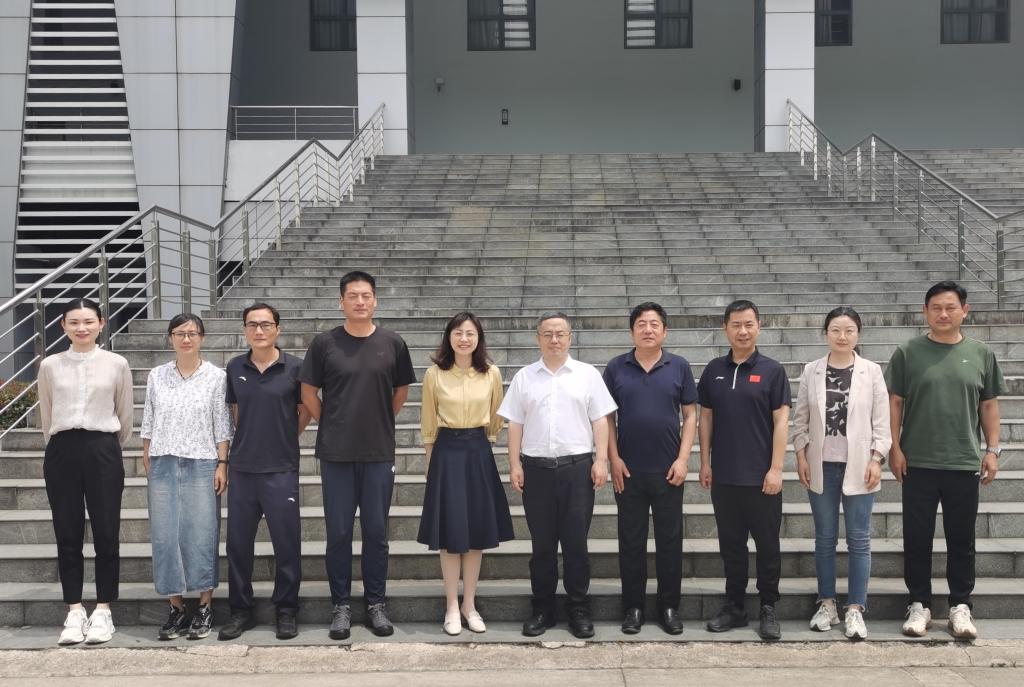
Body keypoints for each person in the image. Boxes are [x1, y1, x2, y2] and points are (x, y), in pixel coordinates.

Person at [886, 281, 1006, 639]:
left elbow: (989, 405)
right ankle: (918, 604)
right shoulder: (907, 352)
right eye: (936, 307)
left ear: (964, 311)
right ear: (925, 311)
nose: (943, 314)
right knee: (917, 538)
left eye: (950, 307)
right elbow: (894, 402)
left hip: (962, 461)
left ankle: (960, 606)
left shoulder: (981, 353)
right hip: (918, 461)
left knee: (961, 539)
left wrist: (992, 450)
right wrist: (895, 448)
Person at [300, 271, 416, 639]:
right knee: (338, 533)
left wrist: (379, 420)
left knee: (376, 532)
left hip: (378, 452)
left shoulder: (392, 343)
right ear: (341, 302)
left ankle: (376, 604)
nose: (360, 301)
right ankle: (341, 606)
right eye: (353, 296)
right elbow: (308, 393)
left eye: (366, 295)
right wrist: (332, 422)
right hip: (336, 454)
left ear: (375, 300)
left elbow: (401, 391)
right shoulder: (324, 343)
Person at [497, 311, 617, 639]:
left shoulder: (587, 375)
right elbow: (515, 424)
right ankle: (543, 609)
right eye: (547, 334)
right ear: (538, 338)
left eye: (560, 334)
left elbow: (600, 420)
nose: (554, 340)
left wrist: (601, 460)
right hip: (536, 470)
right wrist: (515, 464)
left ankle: (578, 609)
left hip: (577, 470)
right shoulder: (525, 377)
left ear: (570, 338)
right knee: (543, 546)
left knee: (576, 544)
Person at [37, 298, 133, 645]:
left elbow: (125, 413)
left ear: (101, 324)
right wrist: (60, 444)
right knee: (67, 532)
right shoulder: (50, 365)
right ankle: (74, 610)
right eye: (74, 322)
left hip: (102, 447)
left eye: (89, 321)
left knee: (106, 530)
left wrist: (106, 447)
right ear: (63, 325)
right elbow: (47, 414)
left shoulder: (116, 363)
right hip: (62, 449)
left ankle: (104, 609)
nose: (82, 328)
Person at [791, 306, 891, 641]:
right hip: (821, 464)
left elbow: (882, 422)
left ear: (858, 334)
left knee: (859, 539)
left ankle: (856, 608)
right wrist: (801, 456)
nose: (842, 336)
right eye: (835, 330)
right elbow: (800, 420)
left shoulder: (871, 372)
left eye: (849, 330)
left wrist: (877, 459)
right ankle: (827, 603)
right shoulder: (812, 371)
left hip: (860, 465)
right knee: (825, 538)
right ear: (826, 334)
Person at [416, 311, 514, 635]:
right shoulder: (434, 374)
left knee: (475, 534)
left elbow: (497, 418)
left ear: (478, 338)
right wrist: (430, 462)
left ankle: (469, 605)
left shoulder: (491, 373)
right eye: (458, 333)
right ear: (449, 337)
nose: (464, 339)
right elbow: (428, 421)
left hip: (478, 452)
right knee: (449, 534)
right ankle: (450, 607)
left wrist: (484, 443)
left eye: (470, 333)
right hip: (445, 452)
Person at [698, 299, 790, 641]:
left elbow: (781, 422)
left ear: (759, 327)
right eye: (736, 325)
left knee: (768, 546)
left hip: (762, 478)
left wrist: (776, 468)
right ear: (725, 328)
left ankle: (768, 607)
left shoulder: (772, 371)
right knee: (731, 547)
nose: (742, 331)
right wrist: (704, 462)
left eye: (749, 324)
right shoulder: (713, 370)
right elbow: (705, 419)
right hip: (725, 477)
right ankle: (735, 605)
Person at [603, 302, 697, 635]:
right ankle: (633, 607)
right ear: (632, 331)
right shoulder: (616, 368)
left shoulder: (679, 366)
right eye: (641, 324)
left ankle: (669, 607)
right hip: (628, 471)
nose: (648, 329)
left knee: (670, 541)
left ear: (665, 331)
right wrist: (613, 458)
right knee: (631, 542)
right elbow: (606, 418)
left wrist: (683, 459)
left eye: (654, 324)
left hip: (668, 471)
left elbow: (691, 415)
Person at [219, 303, 311, 641]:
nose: (259, 330)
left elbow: (305, 410)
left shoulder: (295, 367)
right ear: (245, 330)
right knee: (238, 544)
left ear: (278, 329)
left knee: (287, 543)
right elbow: (235, 411)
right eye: (252, 325)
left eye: (266, 324)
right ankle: (240, 610)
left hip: (281, 468)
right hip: (243, 468)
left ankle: (286, 609)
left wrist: (284, 436)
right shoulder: (235, 367)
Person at [141, 313, 232, 641]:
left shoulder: (217, 377)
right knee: (165, 536)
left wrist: (222, 463)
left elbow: (222, 423)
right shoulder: (157, 375)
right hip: (163, 462)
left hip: (202, 462)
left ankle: (205, 606)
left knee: (203, 533)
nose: (186, 339)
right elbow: (149, 419)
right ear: (170, 338)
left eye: (193, 333)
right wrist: (147, 456)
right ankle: (176, 607)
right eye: (179, 333)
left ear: (202, 337)